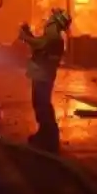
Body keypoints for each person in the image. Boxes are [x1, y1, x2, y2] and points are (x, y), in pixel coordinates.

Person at [19, 8, 72, 152]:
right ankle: (45, 133)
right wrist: (28, 34)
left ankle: (48, 137)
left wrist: (25, 36)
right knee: (40, 104)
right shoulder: (51, 36)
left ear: (56, 21)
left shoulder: (54, 36)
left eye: (51, 18)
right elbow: (39, 44)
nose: (48, 20)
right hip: (41, 74)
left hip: (43, 75)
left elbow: (38, 44)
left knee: (42, 105)